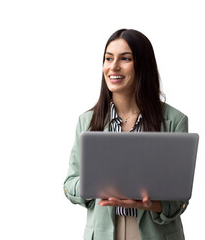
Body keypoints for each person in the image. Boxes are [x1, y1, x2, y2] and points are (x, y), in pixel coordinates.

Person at [63, 29, 189, 240]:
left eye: (125, 59)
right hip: (104, 233)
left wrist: (152, 205)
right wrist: (93, 186)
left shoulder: (174, 121)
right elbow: (69, 184)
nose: (114, 67)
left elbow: (180, 199)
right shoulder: (87, 121)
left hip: (155, 233)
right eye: (109, 58)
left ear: (143, 65)